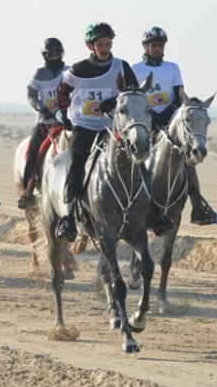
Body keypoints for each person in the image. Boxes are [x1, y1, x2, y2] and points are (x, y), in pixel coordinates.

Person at [54, 22, 174, 242]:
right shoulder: (77, 70)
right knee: (75, 164)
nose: (105, 48)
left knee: (138, 162)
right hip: (85, 127)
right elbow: (61, 92)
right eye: (100, 44)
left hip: (112, 127)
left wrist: (115, 100)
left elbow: (133, 92)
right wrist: (67, 120)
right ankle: (68, 217)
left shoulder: (121, 66)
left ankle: (156, 212)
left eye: (108, 43)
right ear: (91, 46)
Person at [131, 26, 217, 225]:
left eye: (160, 45)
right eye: (154, 45)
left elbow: (179, 97)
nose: (157, 49)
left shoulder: (172, 68)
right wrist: (151, 115)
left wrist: (166, 116)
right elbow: (135, 98)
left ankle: (198, 208)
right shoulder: (136, 69)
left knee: (187, 161)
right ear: (145, 46)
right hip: (146, 123)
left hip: (170, 122)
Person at [17, 38, 69, 209]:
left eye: (57, 54)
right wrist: (41, 107)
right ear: (45, 56)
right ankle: (28, 192)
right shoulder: (39, 74)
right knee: (33, 154)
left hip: (67, 121)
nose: (54, 57)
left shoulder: (70, 72)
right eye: (50, 54)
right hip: (44, 123)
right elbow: (31, 94)